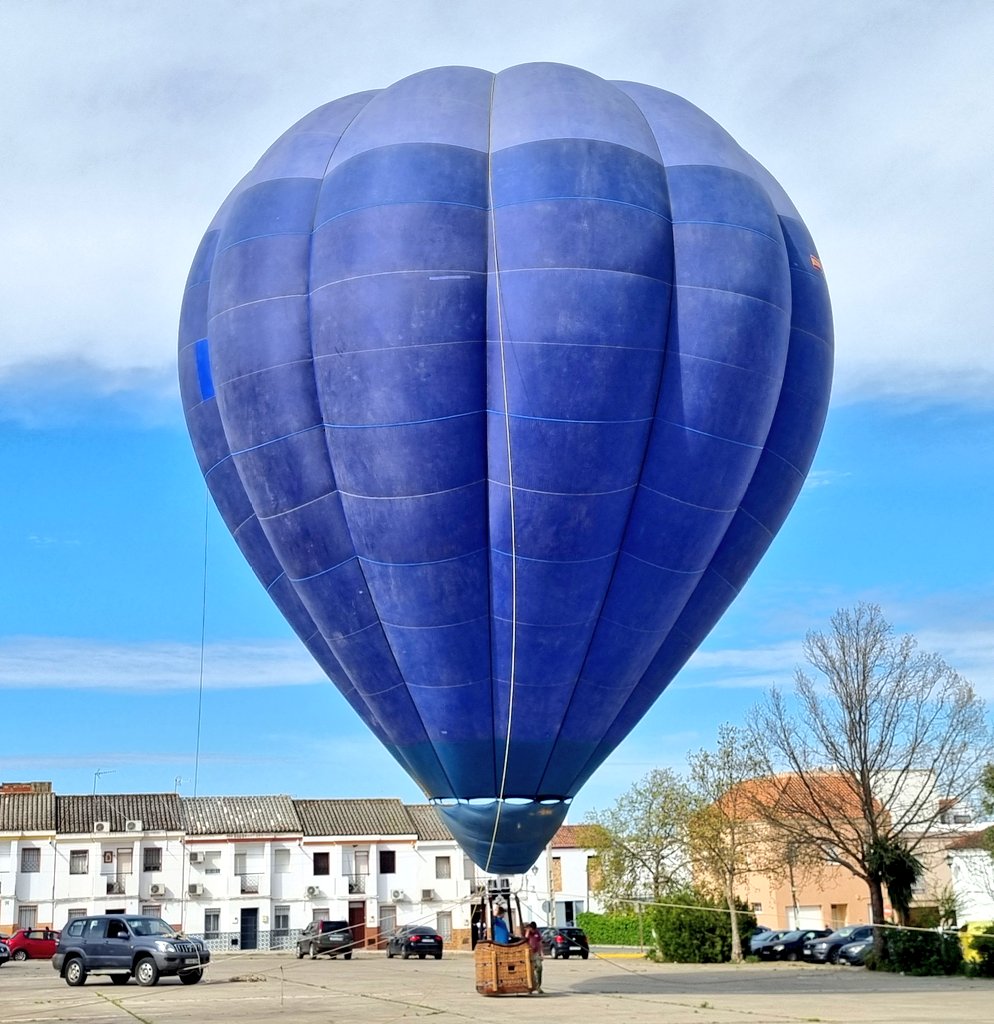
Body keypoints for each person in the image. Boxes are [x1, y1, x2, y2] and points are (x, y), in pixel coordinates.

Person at [525, 921, 544, 994]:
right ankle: (530, 988)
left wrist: (541, 953)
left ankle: (538, 987)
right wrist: (528, 932)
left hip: (536, 953)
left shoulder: (537, 933)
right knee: (530, 971)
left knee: (539, 968)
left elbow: (540, 943)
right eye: (531, 929)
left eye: (533, 929)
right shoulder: (527, 933)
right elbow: (525, 939)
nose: (532, 930)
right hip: (529, 954)